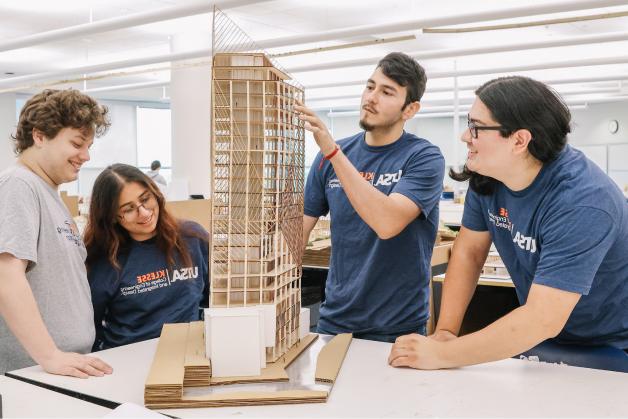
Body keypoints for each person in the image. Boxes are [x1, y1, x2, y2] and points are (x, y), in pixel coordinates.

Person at [389, 76, 628, 370]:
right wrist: (445, 334)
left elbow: (543, 317)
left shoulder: (583, 201)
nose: (466, 136)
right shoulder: (488, 177)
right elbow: (469, 253)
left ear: (519, 140)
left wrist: (442, 355)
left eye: (476, 127)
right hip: (547, 334)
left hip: (613, 341)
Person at [296, 52, 445, 343]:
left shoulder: (423, 157)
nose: (371, 97)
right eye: (370, 86)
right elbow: (298, 232)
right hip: (335, 320)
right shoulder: (333, 155)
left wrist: (333, 153)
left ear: (410, 109)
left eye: (387, 91)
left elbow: (387, 222)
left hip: (396, 328)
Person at [0, 89, 113, 377]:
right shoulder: (19, 186)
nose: (85, 156)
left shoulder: (47, 191)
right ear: (39, 136)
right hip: (31, 373)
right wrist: (49, 355)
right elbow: (6, 275)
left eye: (88, 146)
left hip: (60, 369)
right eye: (77, 144)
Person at [84, 163, 209, 350]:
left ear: (155, 194)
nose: (143, 213)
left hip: (187, 353)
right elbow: (90, 327)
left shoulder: (192, 238)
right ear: (111, 217)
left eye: (145, 199)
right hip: (128, 359)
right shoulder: (105, 261)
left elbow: (213, 299)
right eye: (128, 209)